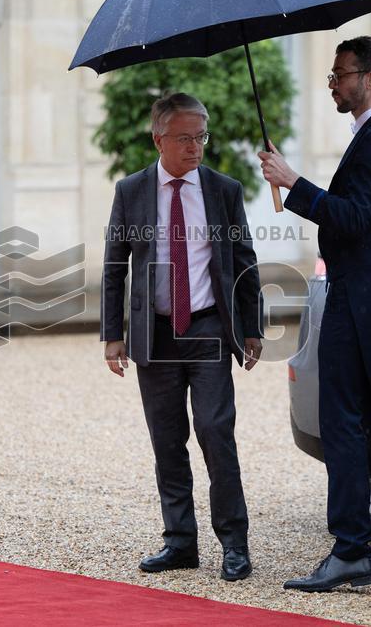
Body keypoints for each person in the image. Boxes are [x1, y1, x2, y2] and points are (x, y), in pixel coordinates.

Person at [258, 36, 371, 591]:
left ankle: (349, 551)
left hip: (361, 303)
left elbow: (353, 218)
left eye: (341, 74)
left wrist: (293, 184)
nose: (333, 84)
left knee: (341, 423)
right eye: (332, 76)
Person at [101, 92, 264, 582]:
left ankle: (235, 545)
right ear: (159, 138)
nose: (195, 147)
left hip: (211, 327)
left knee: (217, 435)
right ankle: (180, 542)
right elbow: (113, 268)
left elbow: (244, 262)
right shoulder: (131, 191)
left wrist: (252, 327)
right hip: (155, 334)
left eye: (201, 137)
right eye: (185, 138)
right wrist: (113, 336)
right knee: (168, 441)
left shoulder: (223, 190)